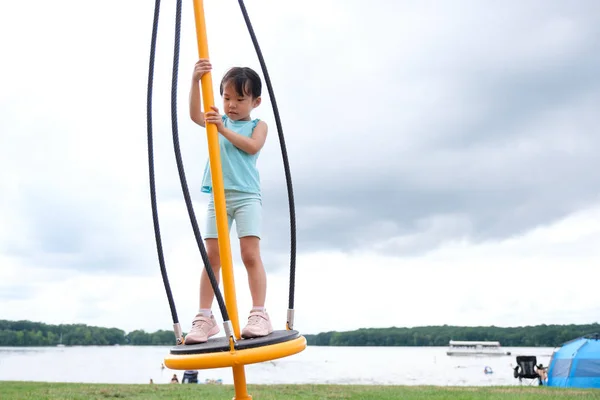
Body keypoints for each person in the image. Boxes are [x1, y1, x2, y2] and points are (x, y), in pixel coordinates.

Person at [184, 58, 273, 345]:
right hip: (218, 196)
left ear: (255, 101)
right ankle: (204, 317)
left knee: (249, 254)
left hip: (246, 196)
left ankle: (259, 314)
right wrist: (195, 81)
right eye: (226, 97)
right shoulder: (217, 121)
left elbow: (251, 147)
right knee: (212, 257)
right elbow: (194, 115)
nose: (231, 104)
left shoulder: (259, 126)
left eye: (239, 99)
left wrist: (222, 130)